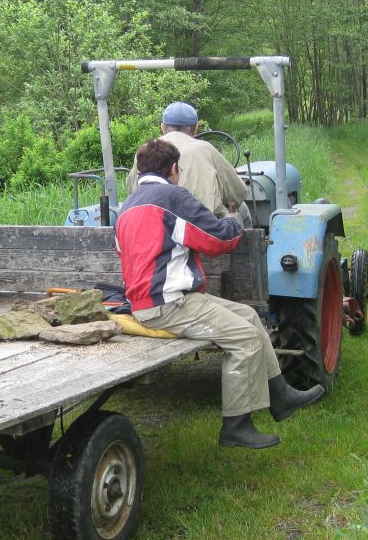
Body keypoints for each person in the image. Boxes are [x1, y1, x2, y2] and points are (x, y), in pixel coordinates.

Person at [115, 139, 324, 449]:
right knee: (245, 339)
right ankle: (236, 425)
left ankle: (280, 395)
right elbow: (218, 240)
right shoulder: (173, 198)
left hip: (151, 300)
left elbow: (123, 251)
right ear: (173, 169)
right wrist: (233, 220)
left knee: (248, 316)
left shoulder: (128, 206)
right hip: (169, 304)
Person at [126, 101, 248, 220]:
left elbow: (132, 190)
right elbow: (237, 193)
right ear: (196, 128)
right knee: (242, 209)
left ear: (162, 127)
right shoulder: (206, 149)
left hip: (155, 220)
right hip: (205, 222)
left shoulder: (145, 150)